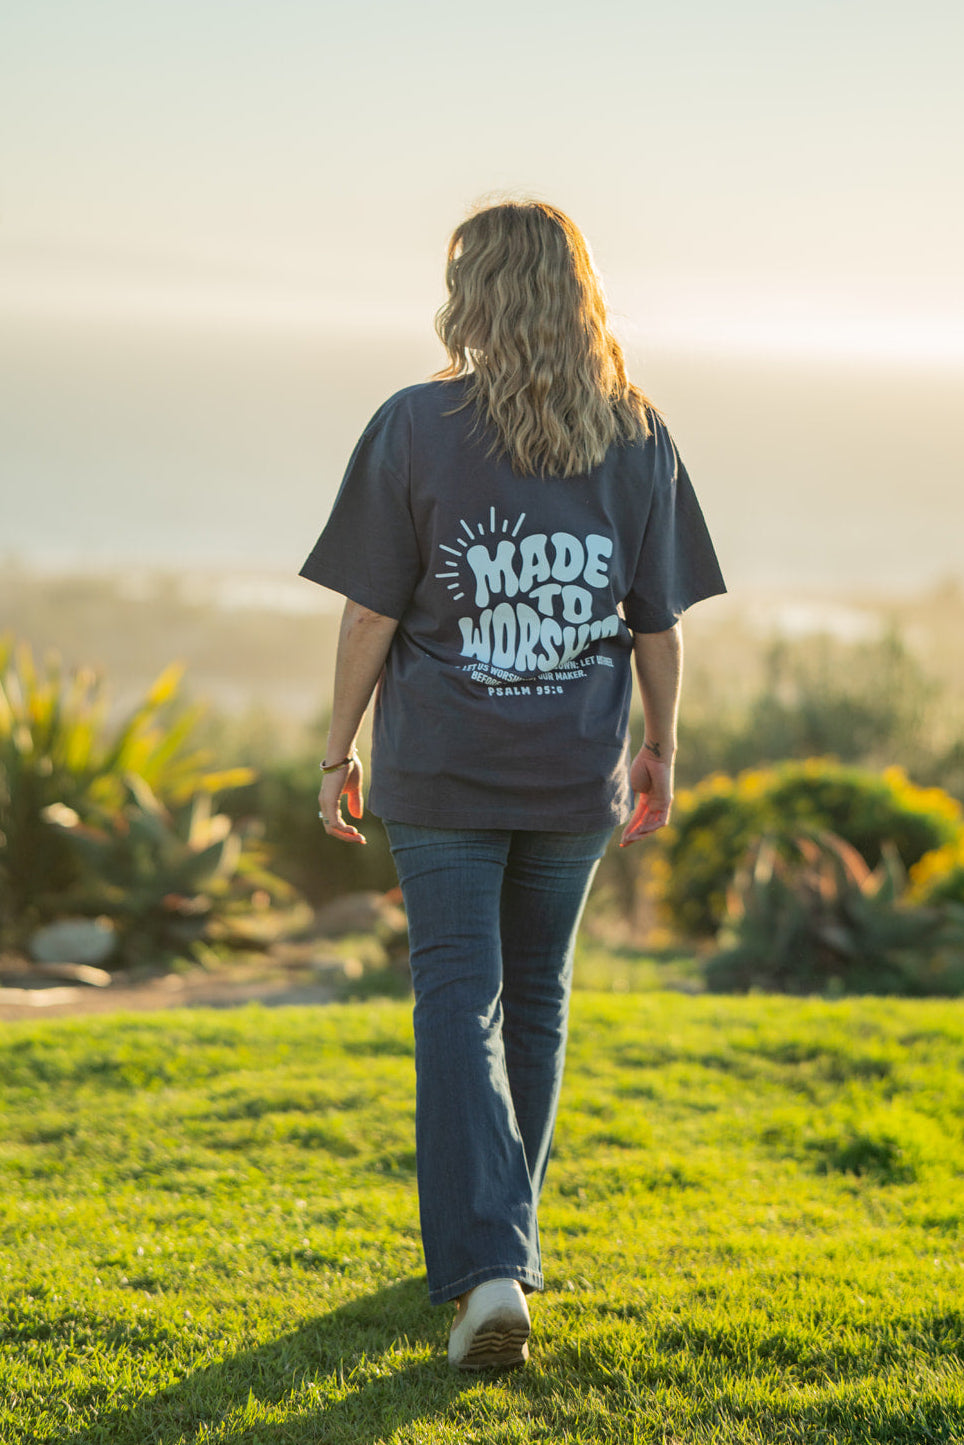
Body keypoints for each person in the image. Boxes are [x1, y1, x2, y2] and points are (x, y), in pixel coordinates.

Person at [299, 199, 725, 1370]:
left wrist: (338, 749)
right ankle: (498, 1250)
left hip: (442, 765)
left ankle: (488, 1264)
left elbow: (371, 612)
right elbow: (659, 624)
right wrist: (660, 748)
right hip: (572, 766)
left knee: (457, 996)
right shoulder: (636, 431)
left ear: (471, 293)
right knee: (533, 999)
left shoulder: (413, 422)